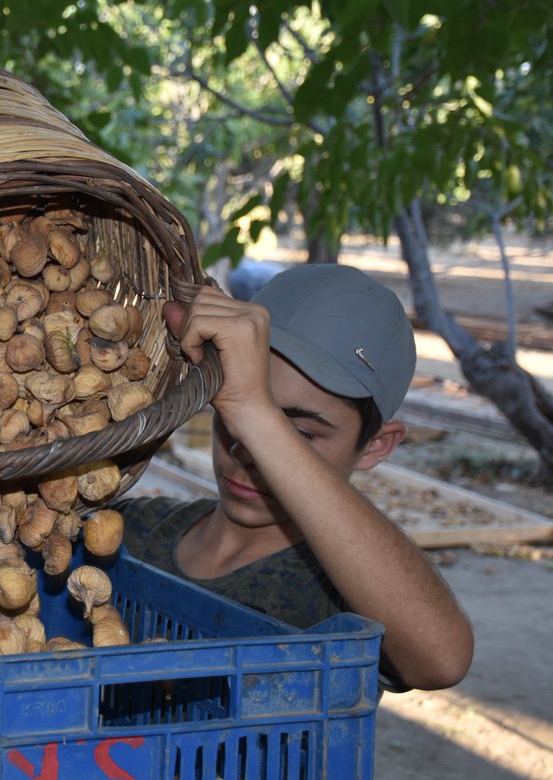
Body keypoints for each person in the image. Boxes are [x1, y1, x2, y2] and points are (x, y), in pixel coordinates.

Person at [113, 263, 474, 692]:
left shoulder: (341, 598)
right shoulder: (132, 531)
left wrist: (255, 410)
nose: (243, 450)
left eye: (298, 432)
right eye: (230, 408)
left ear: (376, 446)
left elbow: (442, 660)